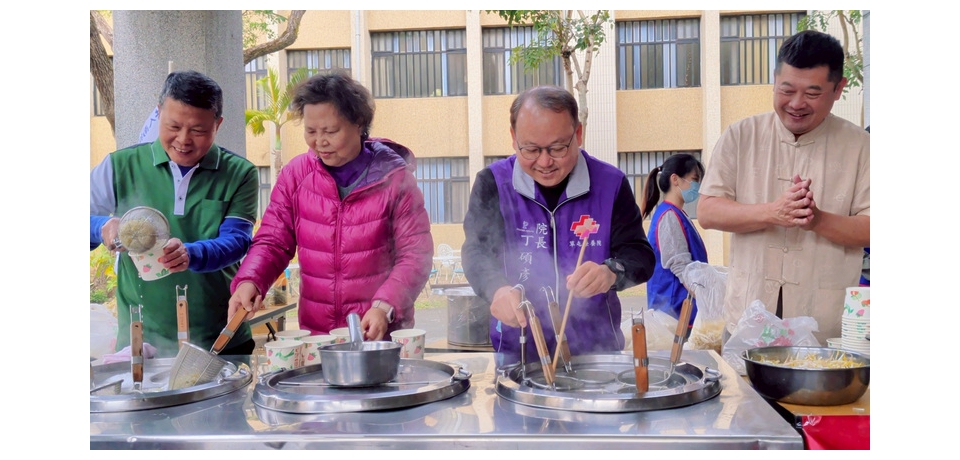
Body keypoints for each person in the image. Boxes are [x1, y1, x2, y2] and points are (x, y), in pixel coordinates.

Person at [228, 71, 433, 341]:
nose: (319, 142)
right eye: (311, 131)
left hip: (378, 334)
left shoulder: (395, 179)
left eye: (330, 131)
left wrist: (385, 306)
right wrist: (250, 279)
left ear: (358, 123)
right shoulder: (296, 175)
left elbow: (415, 255)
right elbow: (273, 241)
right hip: (317, 337)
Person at [461, 85, 656, 363]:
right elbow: (475, 251)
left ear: (578, 134)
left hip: (596, 351)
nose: (544, 162)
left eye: (557, 148)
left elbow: (640, 255)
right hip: (518, 350)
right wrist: (497, 288)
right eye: (530, 149)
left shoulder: (609, 184)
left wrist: (611, 272)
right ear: (514, 138)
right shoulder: (493, 183)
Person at [697, 30, 870, 343]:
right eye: (786, 89)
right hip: (747, 323)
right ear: (774, 80)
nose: (796, 104)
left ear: (839, 88)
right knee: (742, 393)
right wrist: (773, 212)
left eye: (813, 94)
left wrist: (817, 220)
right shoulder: (741, 135)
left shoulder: (862, 147)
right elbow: (708, 211)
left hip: (825, 329)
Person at [90, 70, 260, 357]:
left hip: (220, 340)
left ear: (218, 124)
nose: (183, 140)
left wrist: (191, 254)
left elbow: (237, 242)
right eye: (173, 126)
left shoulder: (239, 173)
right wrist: (101, 228)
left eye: (198, 130)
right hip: (142, 344)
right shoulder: (120, 166)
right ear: (158, 114)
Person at [640, 153, 708, 327]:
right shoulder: (669, 216)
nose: (697, 186)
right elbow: (681, 266)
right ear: (675, 179)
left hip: (680, 315)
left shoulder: (677, 214)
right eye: (694, 179)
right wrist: (708, 297)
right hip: (675, 317)